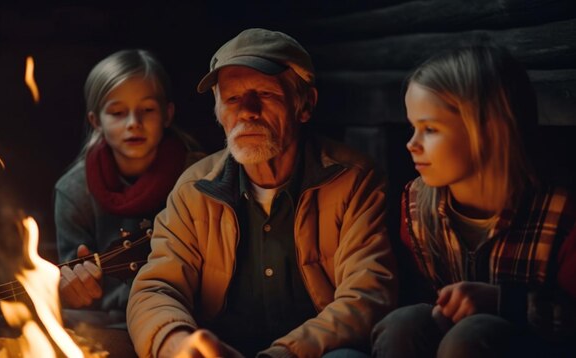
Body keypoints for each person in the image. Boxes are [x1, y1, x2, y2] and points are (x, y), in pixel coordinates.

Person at [126, 28, 398, 358]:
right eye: (233, 99)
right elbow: (156, 287)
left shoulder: (354, 181)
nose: (248, 111)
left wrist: (284, 354)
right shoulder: (193, 190)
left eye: (266, 95)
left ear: (305, 105)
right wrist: (177, 341)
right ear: (219, 113)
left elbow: (367, 294)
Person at [371, 45, 576, 357]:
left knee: (470, 336)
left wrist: (501, 301)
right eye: (413, 127)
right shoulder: (415, 205)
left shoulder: (560, 213)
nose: (411, 144)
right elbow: (418, 294)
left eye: (429, 129)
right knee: (402, 324)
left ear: (490, 130)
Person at [54, 49, 204, 354]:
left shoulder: (199, 177)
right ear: (96, 120)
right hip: (105, 323)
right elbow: (73, 288)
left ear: (168, 114)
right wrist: (74, 290)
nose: (133, 122)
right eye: (118, 113)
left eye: (147, 110)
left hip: (190, 320)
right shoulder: (73, 191)